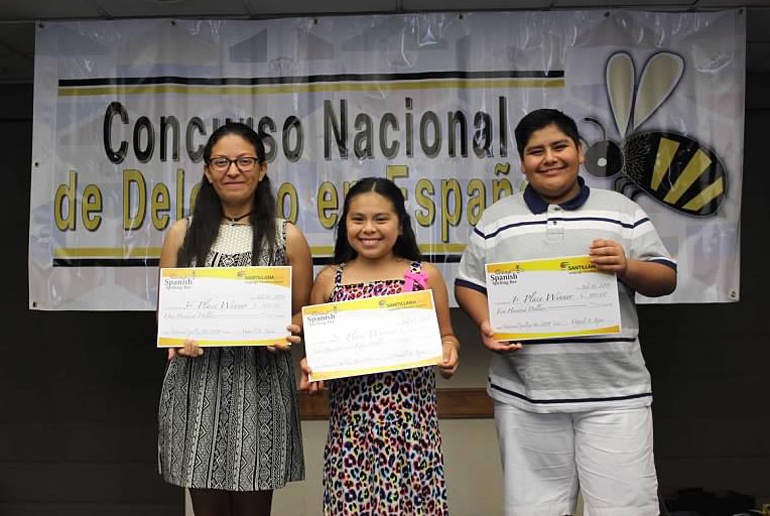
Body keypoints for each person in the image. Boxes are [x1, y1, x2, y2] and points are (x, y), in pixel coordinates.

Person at [454, 109, 677, 516]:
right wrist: (487, 324)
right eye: (536, 151)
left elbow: (665, 277)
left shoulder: (621, 212)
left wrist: (627, 266)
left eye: (559, 146)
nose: (549, 158)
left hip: (614, 396)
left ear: (579, 150)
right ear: (523, 162)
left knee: (624, 509)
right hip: (525, 396)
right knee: (533, 509)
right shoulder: (497, 218)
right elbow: (469, 285)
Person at [157, 122, 312, 516]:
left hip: (259, 386)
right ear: (208, 171)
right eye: (222, 161)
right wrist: (177, 337)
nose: (233, 170)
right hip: (197, 384)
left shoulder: (286, 237)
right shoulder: (182, 234)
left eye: (245, 160)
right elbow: (168, 312)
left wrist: (290, 329)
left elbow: (302, 311)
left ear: (261, 169)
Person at [300, 177, 460, 515]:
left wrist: (448, 352)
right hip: (351, 435)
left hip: (413, 432)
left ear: (400, 226)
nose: (368, 229)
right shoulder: (330, 280)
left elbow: (446, 336)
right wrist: (312, 369)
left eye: (381, 219)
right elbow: (316, 354)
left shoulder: (424, 276)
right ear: (345, 225)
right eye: (358, 219)